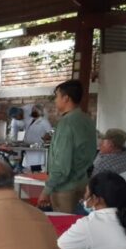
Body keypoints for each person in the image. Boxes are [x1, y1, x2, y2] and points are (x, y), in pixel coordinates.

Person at [38, 80, 97, 213]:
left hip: (64, 188)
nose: (55, 101)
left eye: (57, 97)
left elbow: (61, 164)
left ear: (66, 98)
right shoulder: (86, 120)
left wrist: (47, 190)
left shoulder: (66, 124)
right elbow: (92, 151)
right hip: (82, 182)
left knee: (64, 228)